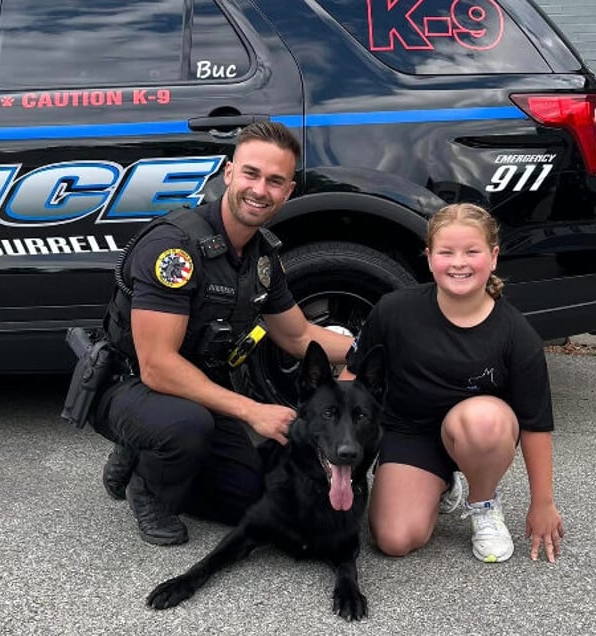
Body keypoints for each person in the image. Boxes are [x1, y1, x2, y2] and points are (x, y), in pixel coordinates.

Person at [91, 121, 353, 546]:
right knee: (185, 426)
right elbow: (157, 367)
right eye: (251, 174)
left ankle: (153, 452)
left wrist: (373, 348)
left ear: (287, 192)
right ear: (229, 173)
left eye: (275, 181)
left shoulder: (261, 255)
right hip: (129, 384)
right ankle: (148, 485)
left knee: (246, 498)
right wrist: (252, 411)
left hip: (197, 389)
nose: (260, 190)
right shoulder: (175, 250)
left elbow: (299, 336)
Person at [342, 202, 564, 563]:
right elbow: (351, 378)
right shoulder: (394, 310)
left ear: (492, 257)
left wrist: (543, 502)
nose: (459, 262)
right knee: (394, 540)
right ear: (429, 258)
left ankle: (484, 501)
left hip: (479, 433)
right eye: (447, 252)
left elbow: (536, 425)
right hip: (410, 433)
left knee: (483, 421)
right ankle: (441, 482)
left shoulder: (516, 334)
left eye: (471, 252)